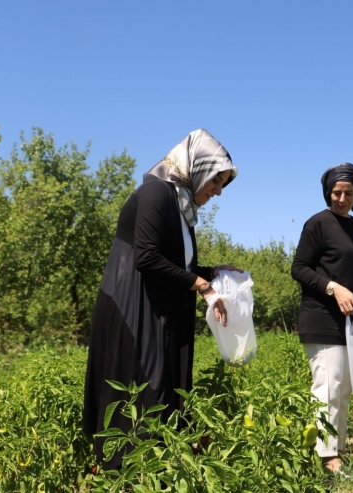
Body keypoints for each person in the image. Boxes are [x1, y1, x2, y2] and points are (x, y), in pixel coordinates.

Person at [83, 129, 241, 468]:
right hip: (134, 305)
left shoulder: (180, 205)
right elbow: (147, 258)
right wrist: (201, 285)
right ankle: (119, 474)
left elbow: (177, 264)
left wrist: (210, 271)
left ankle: (156, 469)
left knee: (162, 387)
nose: (218, 191)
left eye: (223, 185)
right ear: (198, 167)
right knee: (139, 385)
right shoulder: (157, 192)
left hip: (159, 307)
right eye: (216, 181)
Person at [291, 163, 353, 473]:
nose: (341, 198)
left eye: (348, 193)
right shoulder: (316, 224)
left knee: (343, 388)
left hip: (350, 322)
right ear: (327, 192)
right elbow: (300, 268)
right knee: (328, 387)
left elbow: (350, 267)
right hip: (321, 319)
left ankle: (337, 449)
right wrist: (334, 289)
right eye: (336, 192)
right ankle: (327, 457)